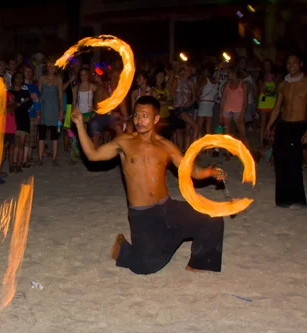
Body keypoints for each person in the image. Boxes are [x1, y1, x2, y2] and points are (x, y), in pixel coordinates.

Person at [73, 96, 227, 275]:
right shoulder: (124, 142)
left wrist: (210, 171)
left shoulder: (166, 146)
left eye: (145, 116)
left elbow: (191, 170)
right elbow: (93, 154)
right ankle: (122, 248)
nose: (139, 120)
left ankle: (198, 263)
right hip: (142, 214)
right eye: (136, 116)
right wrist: (78, 124)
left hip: (166, 207)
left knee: (213, 217)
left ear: (156, 119)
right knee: (147, 266)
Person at [265, 54, 307, 209]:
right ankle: (283, 199)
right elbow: (277, 107)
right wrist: (269, 125)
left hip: (299, 125)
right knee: (281, 161)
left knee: (295, 161)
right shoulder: (283, 84)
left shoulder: (306, 83)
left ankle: (297, 199)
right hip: (284, 125)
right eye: (289, 63)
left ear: (301, 64)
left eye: (295, 62)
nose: (291, 65)